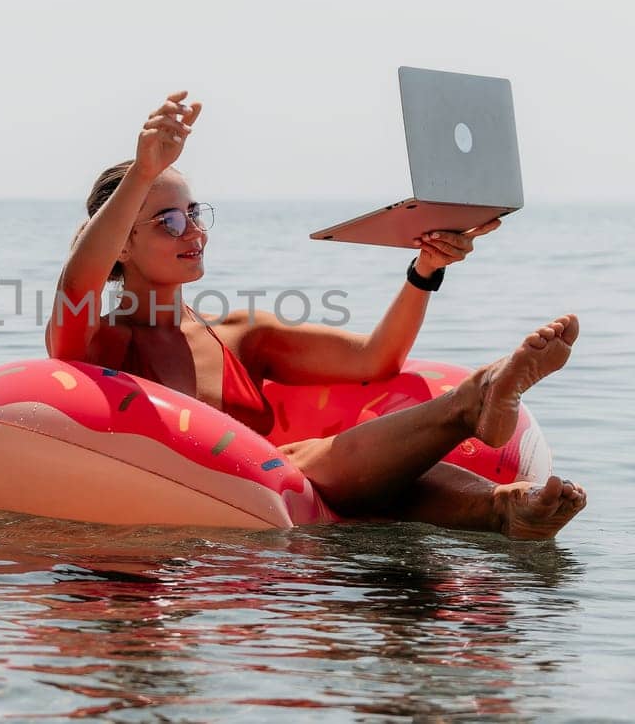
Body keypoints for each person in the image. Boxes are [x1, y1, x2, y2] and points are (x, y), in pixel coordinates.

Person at [45, 91, 587, 539]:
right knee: (293, 462)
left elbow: (377, 360)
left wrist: (424, 269)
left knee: (318, 467)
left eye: (194, 213)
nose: (194, 232)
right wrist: (143, 171)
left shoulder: (241, 336)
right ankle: (474, 400)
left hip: (286, 526)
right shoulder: (98, 343)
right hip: (198, 535)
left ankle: (503, 507)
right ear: (119, 243)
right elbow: (78, 282)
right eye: (168, 221)